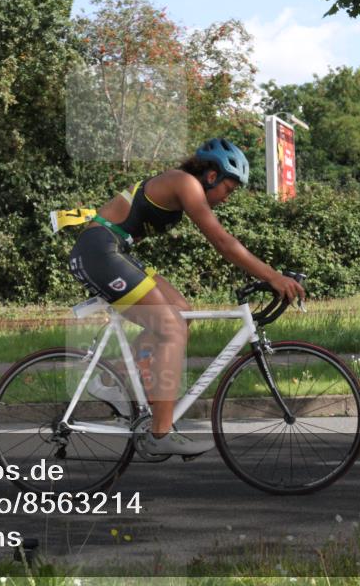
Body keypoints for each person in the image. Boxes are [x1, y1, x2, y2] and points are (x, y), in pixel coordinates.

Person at [67, 138, 306, 456]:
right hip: (99, 251)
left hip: (111, 250)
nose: (227, 198)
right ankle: (160, 433)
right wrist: (273, 276)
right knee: (172, 328)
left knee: (180, 312)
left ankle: (114, 383)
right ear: (212, 176)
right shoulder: (185, 183)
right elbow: (222, 242)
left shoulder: (180, 185)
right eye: (229, 189)